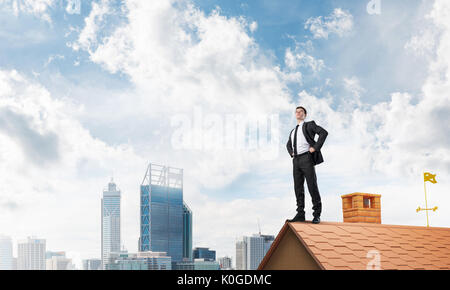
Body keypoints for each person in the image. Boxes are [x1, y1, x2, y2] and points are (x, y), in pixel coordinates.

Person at [286, 106, 328, 224]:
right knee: (298, 188)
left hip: (307, 158)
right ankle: (300, 214)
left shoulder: (309, 125)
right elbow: (288, 144)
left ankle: (317, 214)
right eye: (297, 111)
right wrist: (291, 153)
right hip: (296, 160)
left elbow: (323, 133)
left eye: (301, 112)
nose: (298, 113)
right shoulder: (293, 131)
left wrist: (315, 147)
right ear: (295, 114)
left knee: (312, 186)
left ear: (305, 115)